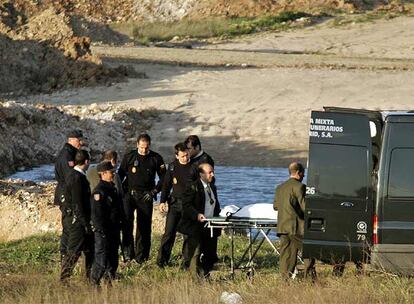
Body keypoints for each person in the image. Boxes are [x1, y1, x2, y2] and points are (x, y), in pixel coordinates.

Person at [118, 133, 166, 263]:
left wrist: (155, 191)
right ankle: (127, 255)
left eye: (146, 147)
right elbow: (120, 175)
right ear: (137, 145)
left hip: (146, 195)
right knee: (127, 225)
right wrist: (119, 192)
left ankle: (141, 258)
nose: (144, 150)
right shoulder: (129, 156)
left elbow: (164, 178)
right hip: (129, 194)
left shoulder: (156, 158)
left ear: (149, 145)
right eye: (141, 147)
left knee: (143, 227)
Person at [156, 143, 198, 268]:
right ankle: (161, 261)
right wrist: (162, 201)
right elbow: (166, 185)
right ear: (177, 155)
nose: (185, 158)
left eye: (186, 155)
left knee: (187, 234)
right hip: (174, 204)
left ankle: (187, 262)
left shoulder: (194, 168)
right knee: (169, 233)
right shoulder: (172, 167)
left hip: (189, 205)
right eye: (182, 156)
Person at [273, 162, 316, 280]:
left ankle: (284, 281)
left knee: (286, 256)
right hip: (297, 227)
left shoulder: (280, 187)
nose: (303, 176)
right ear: (298, 173)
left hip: (283, 227)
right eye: (303, 173)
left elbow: (276, 206)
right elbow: (305, 207)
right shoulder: (300, 187)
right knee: (308, 253)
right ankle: (310, 279)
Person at [178, 163, 221, 278]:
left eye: (213, 171)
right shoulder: (193, 186)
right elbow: (186, 204)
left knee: (210, 254)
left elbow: (215, 204)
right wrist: (196, 214)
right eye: (209, 172)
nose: (212, 174)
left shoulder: (212, 187)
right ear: (201, 174)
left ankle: (205, 275)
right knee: (195, 253)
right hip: (196, 225)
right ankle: (194, 278)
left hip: (211, 225)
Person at [60, 149, 93, 282]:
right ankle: (64, 279)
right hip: (77, 222)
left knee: (90, 250)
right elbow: (78, 203)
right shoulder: (77, 178)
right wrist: (85, 223)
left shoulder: (73, 175)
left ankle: (90, 278)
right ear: (86, 162)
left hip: (75, 219)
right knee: (73, 251)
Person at [90, 161, 122, 285]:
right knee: (101, 260)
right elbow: (97, 215)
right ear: (103, 174)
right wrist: (100, 230)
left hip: (113, 229)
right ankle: (94, 283)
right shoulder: (99, 192)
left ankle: (109, 283)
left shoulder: (112, 189)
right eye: (111, 172)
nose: (113, 174)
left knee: (113, 259)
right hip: (103, 231)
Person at [54, 129, 84, 264]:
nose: (81, 143)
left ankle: (66, 254)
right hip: (65, 195)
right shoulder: (67, 155)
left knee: (69, 226)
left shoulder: (71, 153)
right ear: (71, 140)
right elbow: (70, 179)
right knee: (68, 226)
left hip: (66, 193)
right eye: (79, 140)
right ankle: (64, 255)